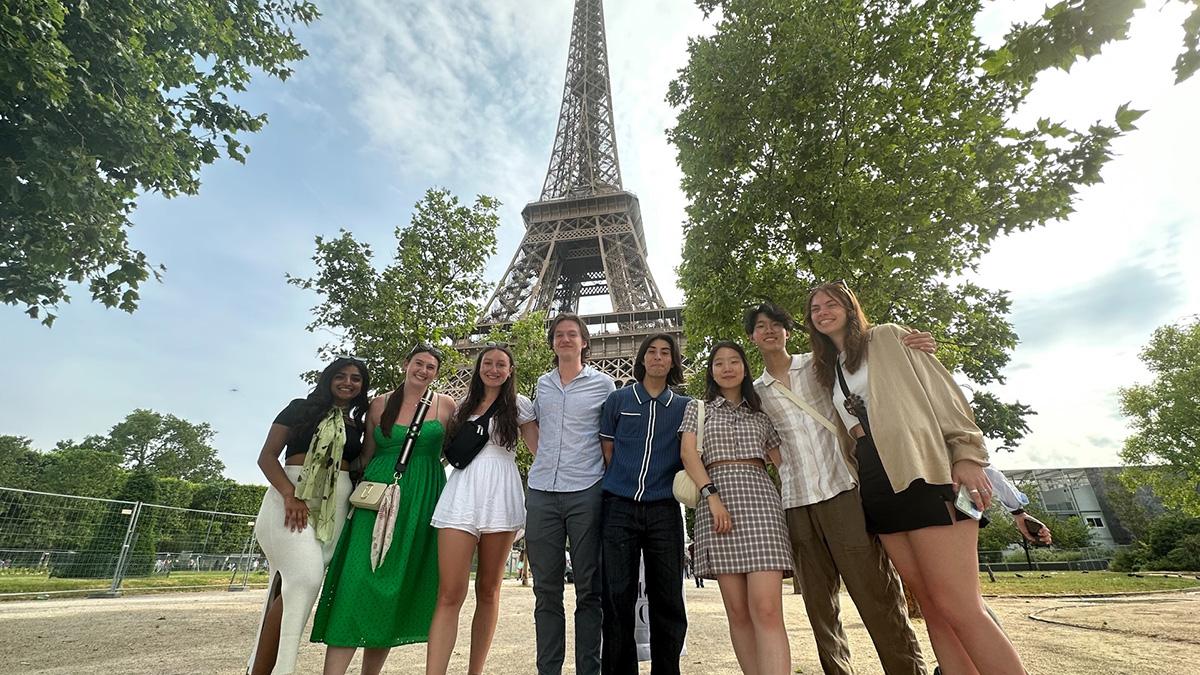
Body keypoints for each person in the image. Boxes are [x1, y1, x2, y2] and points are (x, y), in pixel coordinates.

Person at [805, 281, 1026, 675]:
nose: (822, 311)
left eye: (831, 303)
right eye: (815, 307)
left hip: (923, 470)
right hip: (876, 481)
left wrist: (967, 454)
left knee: (961, 607)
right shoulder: (830, 368)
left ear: (851, 307)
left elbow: (944, 394)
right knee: (931, 607)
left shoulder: (889, 338)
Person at [746, 301, 929, 675]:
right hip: (796, 499)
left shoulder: (818, 365)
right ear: (751, 337)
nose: (768, 330)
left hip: (842, 488)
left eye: (775, 324)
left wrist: (911, 348)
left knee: (874, 592)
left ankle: (908, 670)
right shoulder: (756, 392)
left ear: (788, 332)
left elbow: (866, 368)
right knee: (819, 605)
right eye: (760, 326)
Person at [310, 344, 455, 675]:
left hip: (422, 500)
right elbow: (365, 456)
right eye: (419, 363)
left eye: (431, 367)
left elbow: (459, 450)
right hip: (374, 500)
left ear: (436, 372)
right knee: (355, 580)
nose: (424, 370)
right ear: (406, 364)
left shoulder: (445, 405)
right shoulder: (379, 403)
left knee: (394, 586)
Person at [247, 357, 369, 675]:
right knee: (305, 578)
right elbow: (266, 456)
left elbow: (362, 467)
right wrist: (290, 494)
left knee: (293, 590)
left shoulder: (359, 424)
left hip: (335, 510)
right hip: (289, 502)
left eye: (356, 378)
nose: (348, 382)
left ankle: (258, 669)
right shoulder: (300, 408)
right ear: (328, 378)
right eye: (341, 375)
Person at [679, 341, 793, 675]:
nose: (727, 367)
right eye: (718, 363)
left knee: (768, 609)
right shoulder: (698, 409)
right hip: (716, 503)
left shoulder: (762, 412)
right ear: (711, 371)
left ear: (745, 367)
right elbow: (689, 455)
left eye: (734, 361)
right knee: (738, 612)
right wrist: (712, 496)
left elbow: (782, 461)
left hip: (761, 504)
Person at [426, 344, 540, 675]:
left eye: (500, 364)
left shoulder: (519, 405)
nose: (493, 369)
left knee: (488, 589)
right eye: (487, 363)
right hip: (462, 490)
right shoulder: (461, 406)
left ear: (510, 370)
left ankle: (474, 672)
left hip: (501, 492)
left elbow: (538, 449)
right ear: (478, 368)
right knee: (449, 593)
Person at [526, 313, 615, 675]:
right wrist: (543, 457)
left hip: (586, 491)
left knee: (589, 590)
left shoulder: (604, 385)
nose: (565, 339)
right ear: (552, 343)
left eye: (572, 334)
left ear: (584, 342)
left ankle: (587, 671)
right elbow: (533, 430)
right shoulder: (541, 385)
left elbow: (611, 435)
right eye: (559, 334)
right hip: (543, 491)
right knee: (546, 591)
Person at [598, 333, 691, 675]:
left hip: (664, 509)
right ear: (641, 358)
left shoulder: (684, 406)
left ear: (672, 361)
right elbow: (608, 451)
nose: (658, 357)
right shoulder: (618, 400)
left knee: (668, 597)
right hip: (619, 507)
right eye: (651, 351)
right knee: (616, 597)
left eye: (665, 352)